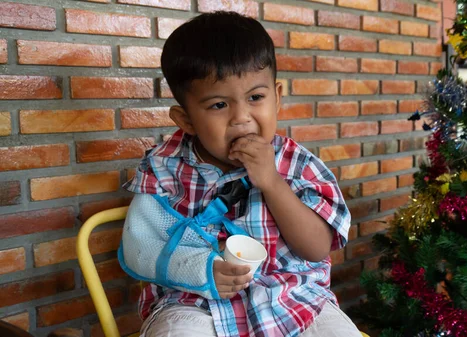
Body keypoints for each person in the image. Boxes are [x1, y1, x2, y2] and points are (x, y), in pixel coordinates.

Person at [119, 11, 363, 337]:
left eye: (255, 98)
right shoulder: (164, 168)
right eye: (219, 105)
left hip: (295, 298)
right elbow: (139, 247)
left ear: (276, 98)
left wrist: (272, 182)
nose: (241, 118)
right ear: (186, 119)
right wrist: (199, 270)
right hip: (195, 300)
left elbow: (317, 248)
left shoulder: (299, 165)